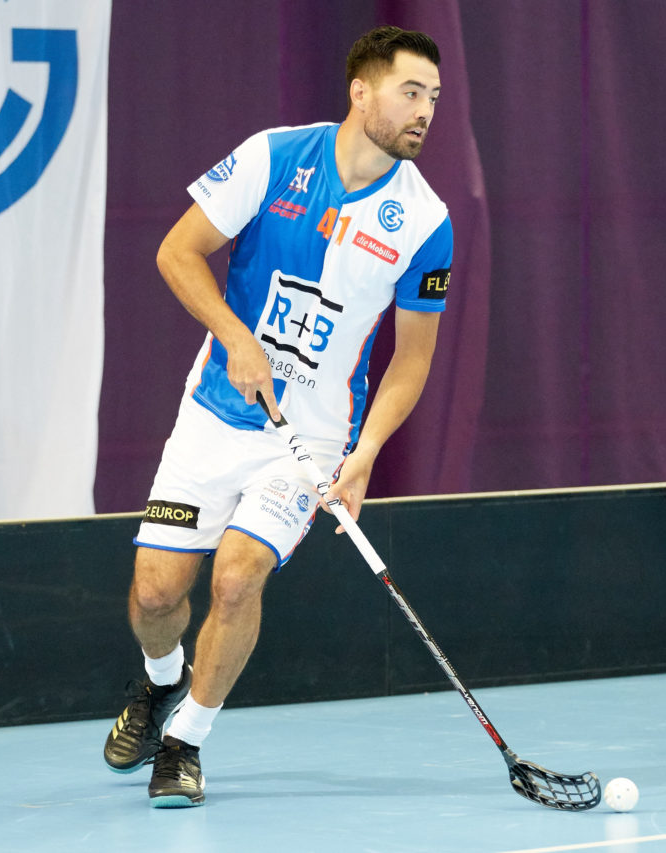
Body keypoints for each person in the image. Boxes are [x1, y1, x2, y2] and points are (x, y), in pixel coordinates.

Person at [102, 26, 452, 808]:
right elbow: (176, 252)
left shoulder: (426, 223)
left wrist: (363, 454)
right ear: (361, 91)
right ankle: (160, 683)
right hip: (215, 414)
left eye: (433, 96)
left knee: (236, 577)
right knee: (157, 594)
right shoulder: (271, 157)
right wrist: (235, 338)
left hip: (310, 442)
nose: (426, 110)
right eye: (410, 91)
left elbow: (413, 361)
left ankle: (187, 739)